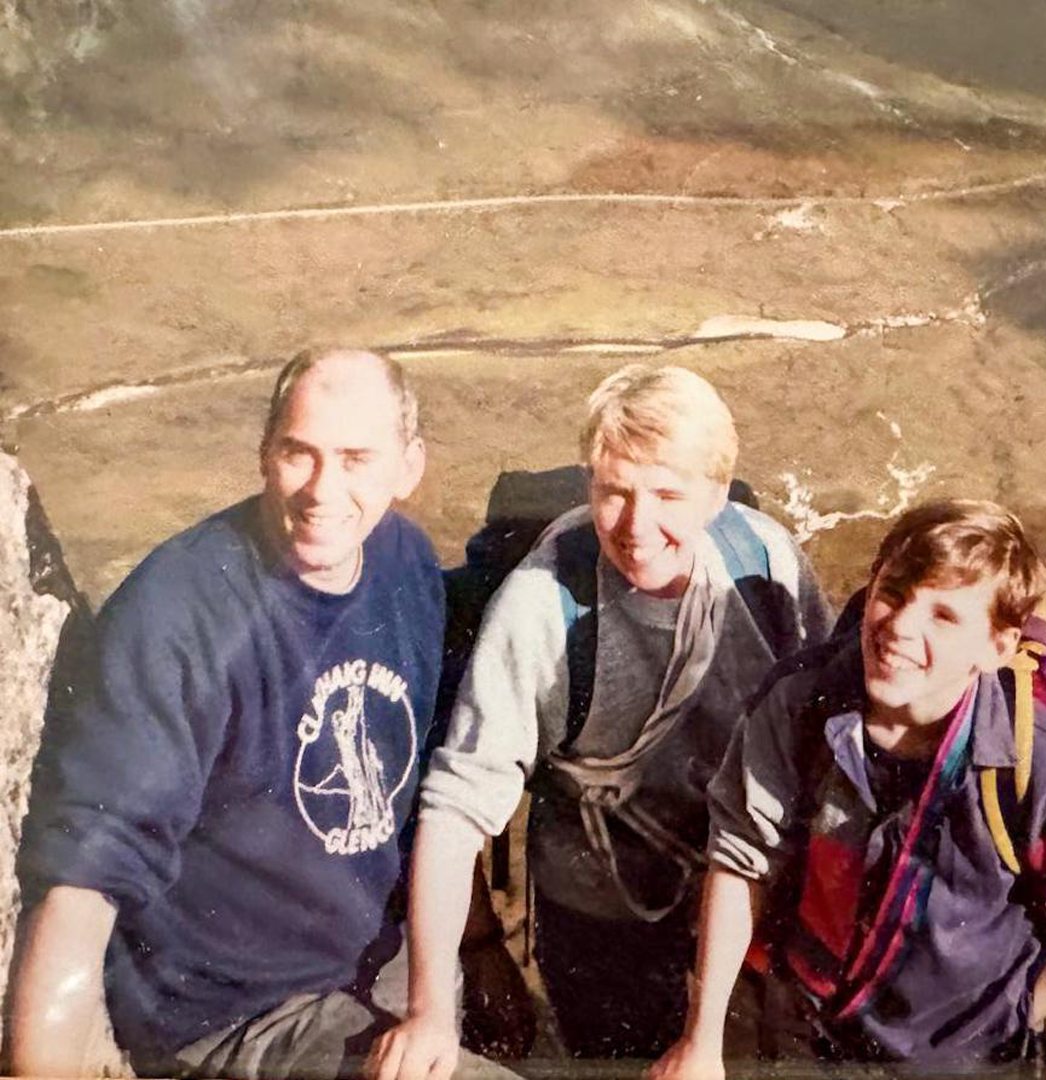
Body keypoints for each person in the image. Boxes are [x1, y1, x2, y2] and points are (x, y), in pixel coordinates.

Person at [8, 349, 511, 1080]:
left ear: (408, 468)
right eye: (298, 454)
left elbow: (418, 788)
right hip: (232, 1014)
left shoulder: (402, 563)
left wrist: (476, 951)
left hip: (370, 959)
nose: (322, 489)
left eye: (355, 458)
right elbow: (87, 878)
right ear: (263, 454)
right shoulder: (184, 617)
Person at [372, 364, 832, 1076]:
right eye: (612, 491)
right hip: (600, 912)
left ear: (716, 493)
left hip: (750, 898)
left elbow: (820, 728)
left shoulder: (765, 563)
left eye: (667, 495)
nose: (635, 526)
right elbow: (456, 807)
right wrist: (433, 1009)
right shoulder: (542, 604)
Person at [652, 499, 1046, 1078]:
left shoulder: (1042, 769)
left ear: (997, 646)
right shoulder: (797, 705)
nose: (900, 626)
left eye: (944, 616)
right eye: (893, 591)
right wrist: (702, 1041)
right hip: (806, 1024)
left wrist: (1010, 1016)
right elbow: (741, 861)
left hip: (954, 1055)